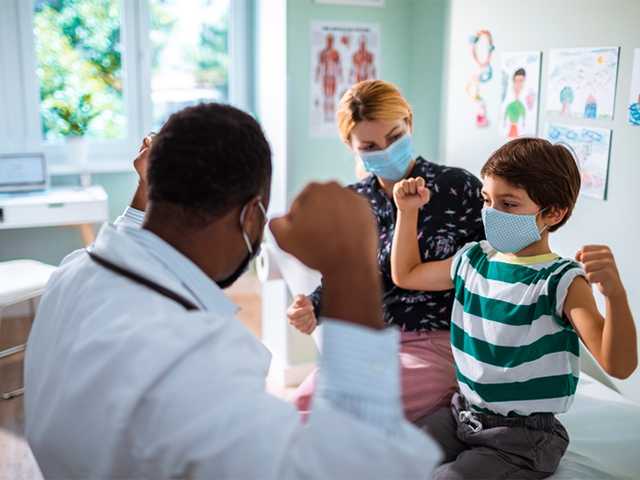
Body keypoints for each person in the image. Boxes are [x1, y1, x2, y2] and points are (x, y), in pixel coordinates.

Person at [24, 103, 441, 479]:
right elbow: (359, 466)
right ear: (250, 216)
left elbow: (125, 238)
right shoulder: (194, 360)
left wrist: (144, 189)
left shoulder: (72, 274)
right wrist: (351, 264)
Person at [390, 137, 638, 479]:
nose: (492, 214)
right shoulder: (473, 260)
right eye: (487, 200)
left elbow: (619, 364)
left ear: (553, 212)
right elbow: (407, 274)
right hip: (462, 412)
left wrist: (615, 295)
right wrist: (407, 212)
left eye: (509, 204)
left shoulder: (560, 281)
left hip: (522, 437)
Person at [288, 79, 485, 422]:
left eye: (394, 137)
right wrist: (312, 307)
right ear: (351, 147)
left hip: (441, 343)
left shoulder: (459, 187)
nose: (386, 151)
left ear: (409, 123)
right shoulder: (351, 203)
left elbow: (491, 269)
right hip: (372, 345)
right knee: (302, 405)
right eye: (370, 145)